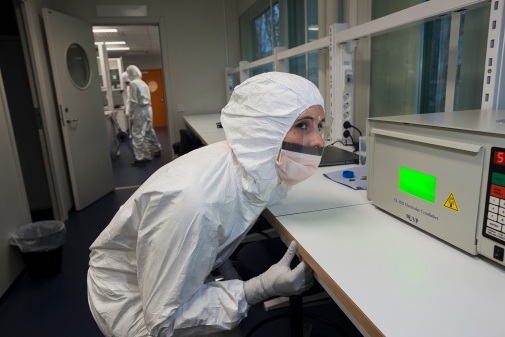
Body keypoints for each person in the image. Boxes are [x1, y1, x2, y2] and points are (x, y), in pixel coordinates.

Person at [87, 72, 327, 337]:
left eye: (320, 125)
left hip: (167, 275)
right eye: (303, 125)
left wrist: (226, 270)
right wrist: (259, 289)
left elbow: (219, 232)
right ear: (267, 131)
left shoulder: (256, 171)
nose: (318, 141)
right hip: (131, 301)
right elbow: (162, 321)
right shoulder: (194, 204)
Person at [126, 65, 162, 165]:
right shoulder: (143, 83)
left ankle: (140, 157)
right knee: (147, 132)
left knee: (137, 134)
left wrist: (131, 113)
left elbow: (133, 101)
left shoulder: (133, 83)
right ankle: (147, 155)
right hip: (148, 109)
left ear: (130, 73)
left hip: (139, 110)